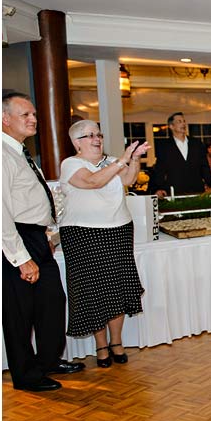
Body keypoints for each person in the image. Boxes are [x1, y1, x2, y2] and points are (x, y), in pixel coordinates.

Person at [2, 91, 85, 391]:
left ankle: (48, 360)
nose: (33, 119)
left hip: (36, 237)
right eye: (25, 114)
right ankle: (26, 376)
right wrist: (21, 256)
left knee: (51, 301)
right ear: (4, 118)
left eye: (34, 114)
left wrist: (47, 235)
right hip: (15, 238)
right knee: (20, 312)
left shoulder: (20, 152)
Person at [59, 121, 150, 367]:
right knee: (94, 291)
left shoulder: (111, 161)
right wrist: (122, 160)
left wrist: (135, 159)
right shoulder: (71, 164)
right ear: (76, 142)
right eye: (90, 135)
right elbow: (92, 182)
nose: (97, 138)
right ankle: (101, 346)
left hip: (118, 230)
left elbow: (129, 179)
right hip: (83, 234)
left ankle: (116, 342)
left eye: (98, 134)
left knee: (116, 288)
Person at [150, 112, 211, 198]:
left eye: (184, 121)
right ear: (171, 126)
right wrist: (158, 188)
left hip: (197, 189)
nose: (183, 124)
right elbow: (160, 169)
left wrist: (209, 183)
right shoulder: (165, 146)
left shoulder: (196, 143)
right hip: (175, 191)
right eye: (179, 121)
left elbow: (204, 166)